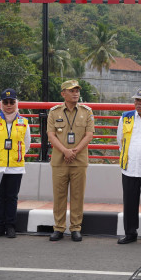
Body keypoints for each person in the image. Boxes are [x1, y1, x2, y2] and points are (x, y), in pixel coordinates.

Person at [47, 80, 94, 242]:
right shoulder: (54, 112)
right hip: (60, 160)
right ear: (63, 94)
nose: (75, 93)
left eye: (77, 90)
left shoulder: (86, 111)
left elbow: (89, 135)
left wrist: (75, 151)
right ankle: (59, 228)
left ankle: (76, 228)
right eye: (71, 90)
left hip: (79, 160)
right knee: (59, 195)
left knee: (77, 195)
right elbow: (51, 135)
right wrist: (65, 151)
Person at [0, 88, 31, 239]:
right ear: (1, 103)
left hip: (15, 168)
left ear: (17, 103)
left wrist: (16, 156)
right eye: (5, 102)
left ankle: (10, 226)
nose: (9, 105)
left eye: (12, 102)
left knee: (12, 197)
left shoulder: (23, 122)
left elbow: (27, 143)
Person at [116, 87, 141, 246]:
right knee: (130, 202)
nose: (138, 103)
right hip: (130, 167)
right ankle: (130, 233)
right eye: (136, 100)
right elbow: (120, 141)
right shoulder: (125, 118)